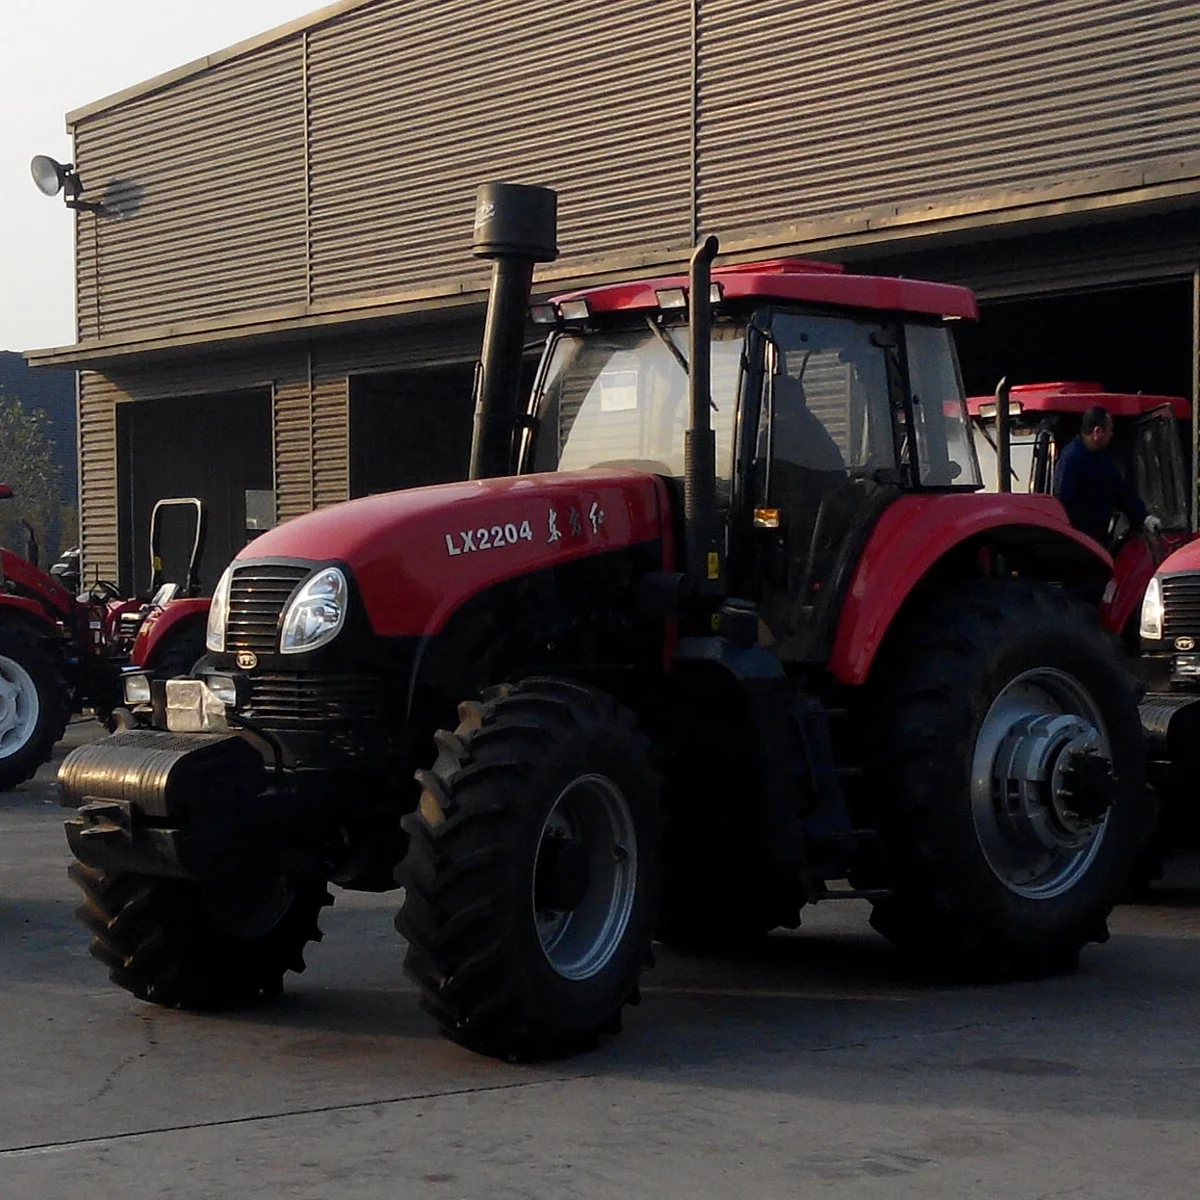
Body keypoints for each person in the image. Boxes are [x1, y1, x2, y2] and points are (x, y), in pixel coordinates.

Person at [1053, 405, 1162, 546]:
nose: (1111, 435)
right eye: (1110, 430)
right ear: (1097, 432)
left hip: (1098, 539)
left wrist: (1145, 517)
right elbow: (1064, 503)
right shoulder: (1072, 459)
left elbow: (1119, 491)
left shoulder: (1100, 458)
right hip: (1079, 543)